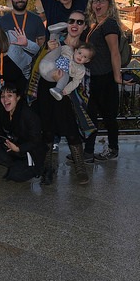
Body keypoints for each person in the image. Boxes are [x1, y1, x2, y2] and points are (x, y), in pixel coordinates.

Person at [36, 10, 91, 184]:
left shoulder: (85, 51)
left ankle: (80, 166)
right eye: (71, 20)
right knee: (47, 129)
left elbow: (84, 78)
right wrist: (48, 50)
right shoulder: (55, 42)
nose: (75, 24)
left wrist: (68, 88)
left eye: (80, 22)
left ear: (84, 27)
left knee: (71, 130)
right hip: (47, 90)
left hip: (68, 95)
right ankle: (47, 167)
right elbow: (40, 66)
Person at [85, 0, 125, 161]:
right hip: (94, 78)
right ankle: (88, 152)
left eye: (102, 1)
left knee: (108, 117)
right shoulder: (96, 25)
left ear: (110, 4)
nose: (98, 4)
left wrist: (117, 78)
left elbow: (115, 52)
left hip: (105, 78)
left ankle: (113, 148)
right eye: (95, 1)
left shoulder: (109, 25)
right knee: (91, 117)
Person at [0, 16, 39, 99]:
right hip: (8, 94)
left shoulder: (11, 35)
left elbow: (38, 50)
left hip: (29, 83)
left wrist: (26, 44)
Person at [0, 85, 46, 182]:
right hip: (13, 147)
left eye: (9, 95)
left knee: (16, 176)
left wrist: (18, 149)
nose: (5, 100)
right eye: (3, 96)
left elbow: (36, 141)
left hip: (30, 151)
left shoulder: (28, 115)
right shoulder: (4, 111)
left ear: (18, 97)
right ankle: (18, 165)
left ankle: (38, 168)